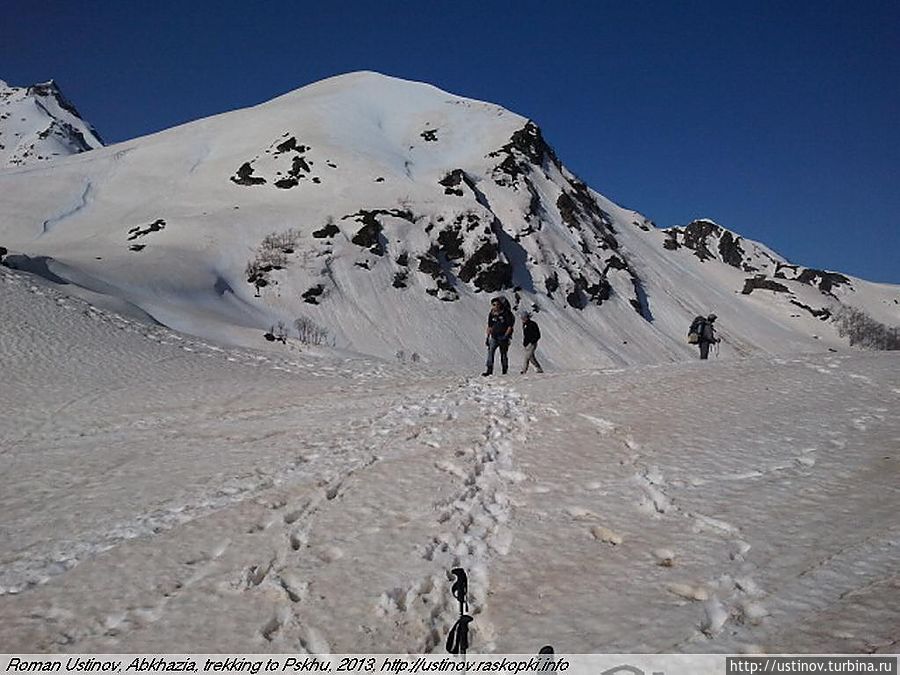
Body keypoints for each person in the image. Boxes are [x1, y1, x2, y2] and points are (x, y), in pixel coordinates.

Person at [482, 297, 514, 376]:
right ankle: (489, 369)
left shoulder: (506, 313)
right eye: (493, 304)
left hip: (503, 336)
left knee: (503, 354)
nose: (493, 306)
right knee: (490, 352)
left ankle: (504, 370)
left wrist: (506, 336)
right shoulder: (492, 314)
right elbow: (490, 326)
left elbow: (510, 326)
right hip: (494, 336)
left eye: (495, 304)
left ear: (499, 305)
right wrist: (487, 337)